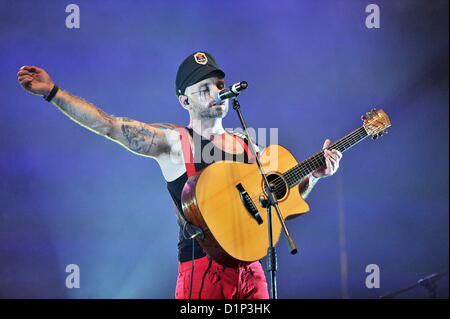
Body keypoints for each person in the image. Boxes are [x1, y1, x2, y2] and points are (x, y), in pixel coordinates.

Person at [17, 51, 343, 299]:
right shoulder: (173, 141)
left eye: (218, 84)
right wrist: (52, 92)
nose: (216, 92)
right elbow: (109, 125)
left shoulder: (249, 145)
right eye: (204, 88)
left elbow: (280, 203)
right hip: (202, 271)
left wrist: (312, 177)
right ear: (184, 100)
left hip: (253, 271)